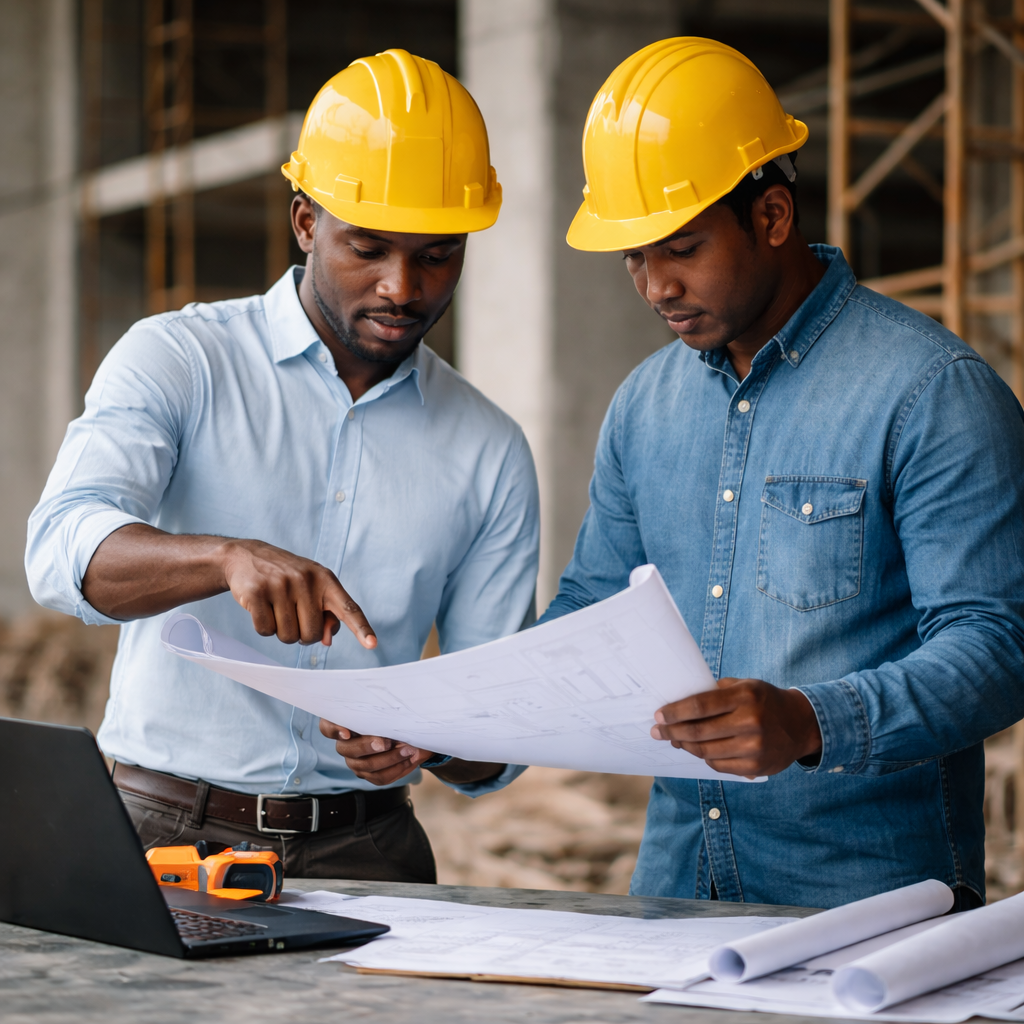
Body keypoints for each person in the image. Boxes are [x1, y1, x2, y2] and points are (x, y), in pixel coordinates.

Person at [25, 49, 538, 883]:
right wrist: (225, 558)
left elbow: (494, 739)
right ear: (305, 223)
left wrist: (437, 740)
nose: (402, 287)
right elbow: (59, 556)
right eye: (367, 248)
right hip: (161, 833)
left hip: (369, 852)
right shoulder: (179, 359)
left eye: (438, 255)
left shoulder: (490, 448)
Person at [544, 37, 1024, 909]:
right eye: (633, 257)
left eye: (679, 248)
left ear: (770, 217)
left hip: (867, 900)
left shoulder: (931, 395)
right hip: (676, 885)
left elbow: (999, 647)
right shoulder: (643, 407)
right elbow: (589, 612)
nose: (654, 286)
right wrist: (452, 731)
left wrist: (810, 722)